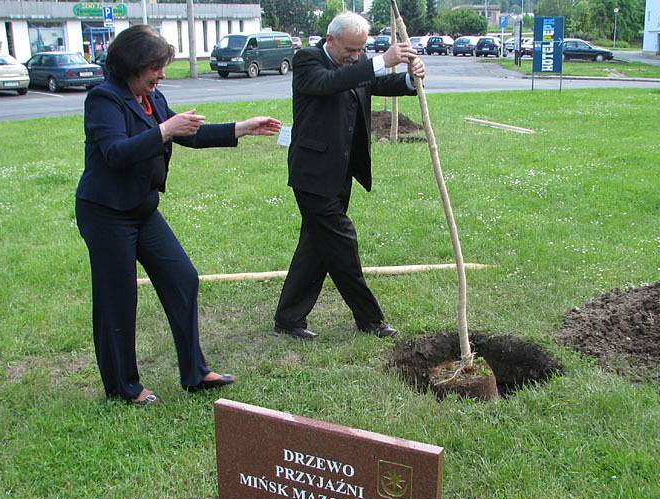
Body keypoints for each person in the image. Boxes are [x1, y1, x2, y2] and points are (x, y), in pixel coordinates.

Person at [75, 25, 281, 405]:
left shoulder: (152, 99)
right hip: (105, 213)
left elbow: (191, 135)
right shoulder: (104, 99)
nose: (162, 75)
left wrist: (242, 128)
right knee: (117, 298)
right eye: (156, 67)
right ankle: (123, 387)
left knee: (182, 278)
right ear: (133, 65)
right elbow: (115, 153)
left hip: (141, 209)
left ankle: (195, 372)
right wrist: (164, 130)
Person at [273, 11, 426, 340]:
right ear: (330, 40)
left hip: (342, 173)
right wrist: (380, 60)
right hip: (312, 176)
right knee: (342, 243)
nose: (356, 57)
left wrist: (411, 79)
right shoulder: (307, 61)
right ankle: (369, 319)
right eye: (350, 50)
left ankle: (288, 317)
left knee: (316, 246)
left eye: (361, 51)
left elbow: (378, 81)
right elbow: (329, 84)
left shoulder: (355, 66)